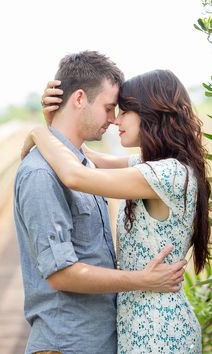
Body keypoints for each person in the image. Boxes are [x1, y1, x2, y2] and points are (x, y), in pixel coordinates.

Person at [21, 68, 211, 354]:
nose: (115, 121)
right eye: (112, 110)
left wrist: (37, 132)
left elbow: (77, 176)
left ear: (151, 112)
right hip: (139, 325)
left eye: (124, 111)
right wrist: (56, 125)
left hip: (159, 331)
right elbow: (84, 157)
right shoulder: (149, 167)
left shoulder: (168, 173)